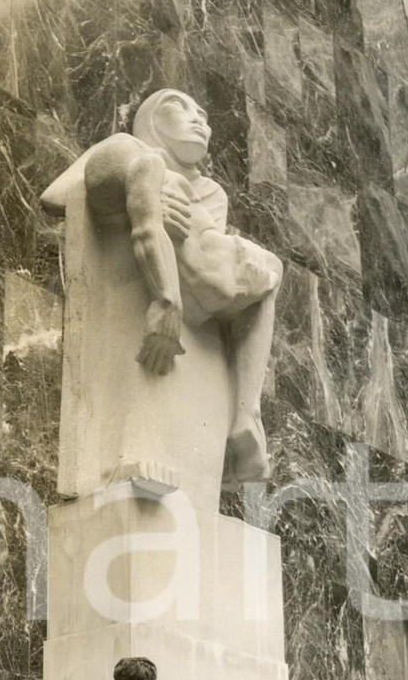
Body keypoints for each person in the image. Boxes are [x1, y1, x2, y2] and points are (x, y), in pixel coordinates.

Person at [41, 88, 282, 483]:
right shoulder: (127, 147)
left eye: (203, 113)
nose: (198, 119)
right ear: (150, 119)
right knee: (142, 355)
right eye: (179, 106)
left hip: (189, 289)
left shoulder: (213, 192)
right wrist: (146, 190)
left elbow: (199, 245)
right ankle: (136, 452)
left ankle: (245, 414)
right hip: (135, 276)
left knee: (263, 276)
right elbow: (57, 196)